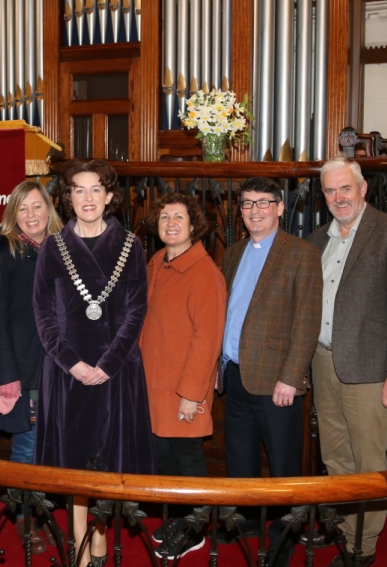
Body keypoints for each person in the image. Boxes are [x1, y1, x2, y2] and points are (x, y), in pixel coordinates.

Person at [32, 158, 154, 567]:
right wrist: (72, 364)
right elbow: (43, 313)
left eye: (95, 189)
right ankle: (80, 546)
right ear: (67, 198)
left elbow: (137, 311)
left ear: (109, 196)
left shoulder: (131, 246)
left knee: (108, 461)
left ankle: (102, 542)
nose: (88, 198)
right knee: (74, 462)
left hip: (117, 372)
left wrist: (109, 363)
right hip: (67, 373)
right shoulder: (53, 246)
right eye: (78, 190)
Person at [308, 157, 387, 567]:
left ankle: (363, 546)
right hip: (323, 363)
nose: (338, 197)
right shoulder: (318, 238)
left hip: (371, 369)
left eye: (345, 188)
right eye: (330, 190)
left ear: (362, 190)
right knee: (335, 454)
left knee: (369, 460)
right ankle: (342, 526)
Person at [220, 176, 322, 567]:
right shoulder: (233, 253)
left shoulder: (300, 253)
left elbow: (307, 320)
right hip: (235, 375)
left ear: (281, 208)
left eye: (264, 203)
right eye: (247, 203)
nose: (255, 211)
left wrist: (292, 378)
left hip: (277, 380)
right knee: (239, 458)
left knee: (283, 464)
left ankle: (285, 532)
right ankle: (245, 521)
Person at [0, 180, 63, 554]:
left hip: (62, 369)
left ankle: (43, 507)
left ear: (49, 210)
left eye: (37, 207)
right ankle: (24, 515)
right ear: (12, 214)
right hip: (25, 371)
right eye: (22, 209)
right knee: (27, 444)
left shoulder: (63, 250)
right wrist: (8, 380)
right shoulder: (1, 254)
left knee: (55, 444)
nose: (31, 215)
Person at [139, 193, 226, 559]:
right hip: (153, 386)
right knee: (165, 461)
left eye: (178, 217)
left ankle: (196, 529)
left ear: (194, 226)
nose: (170, 223)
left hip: (182, 391)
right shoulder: (157, 262)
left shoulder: (205, 273)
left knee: (188, 462)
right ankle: (178, 518)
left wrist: (192, 394)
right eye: (163, 217)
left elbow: (207, 340)